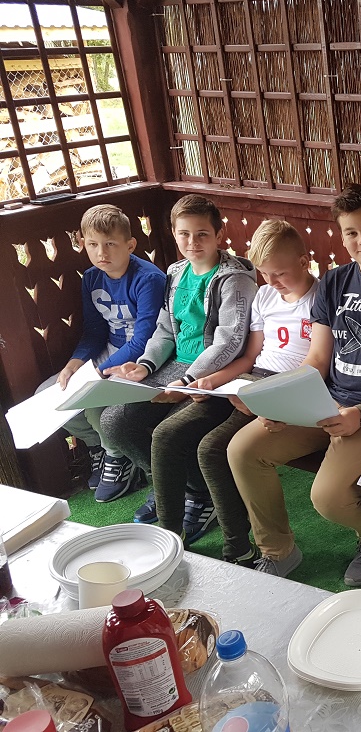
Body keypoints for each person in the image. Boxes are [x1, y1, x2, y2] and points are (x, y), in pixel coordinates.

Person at [227, 183, 361, 581]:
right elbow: (317, 359)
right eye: (351, 232)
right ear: (342, 237)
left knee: (327, 499)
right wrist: (281, 402)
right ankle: (279, 551)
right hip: (328, 402)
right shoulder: (333, 282)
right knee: (243, 450)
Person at [101, 194, 258, 543]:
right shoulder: (175, 272)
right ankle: (173, 484)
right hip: (174, 366)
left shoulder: (234, 279)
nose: (192, 242)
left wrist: (187, 381)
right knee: (115, 422)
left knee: (169, 431)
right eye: (184, 234)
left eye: (202, 234)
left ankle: (201, 496)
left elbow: (229, 342)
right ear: (174, 234)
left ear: (219, 234)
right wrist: (145, 365)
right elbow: (165, 330)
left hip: (216, 374)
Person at [185, 219, 317, 566]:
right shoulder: (265, 296)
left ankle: (255, 547)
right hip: (251, 381)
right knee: (181, 432)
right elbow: (249, 356)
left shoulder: (319, 300)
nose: (271, 282)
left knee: (214, 448)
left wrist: (267, 399)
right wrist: (213, 380)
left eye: (280, 273)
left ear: (304, 262)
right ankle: (208, 533)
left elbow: (318, 367)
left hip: (287, 390)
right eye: (264, 273)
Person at [37, 204, 166, 501]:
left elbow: (144, 340)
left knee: (95, 406)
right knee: (49, 392)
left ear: (130, 245)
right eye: (93, 245)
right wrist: (74, 364)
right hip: (108, 352)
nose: (101, 253)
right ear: (83, 243)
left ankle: (118, 459)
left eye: (110, 244)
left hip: (142, 359)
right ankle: (101, 447)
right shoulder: (92, 278)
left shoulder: (148, 279)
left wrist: (98, 374)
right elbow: (94, 331)